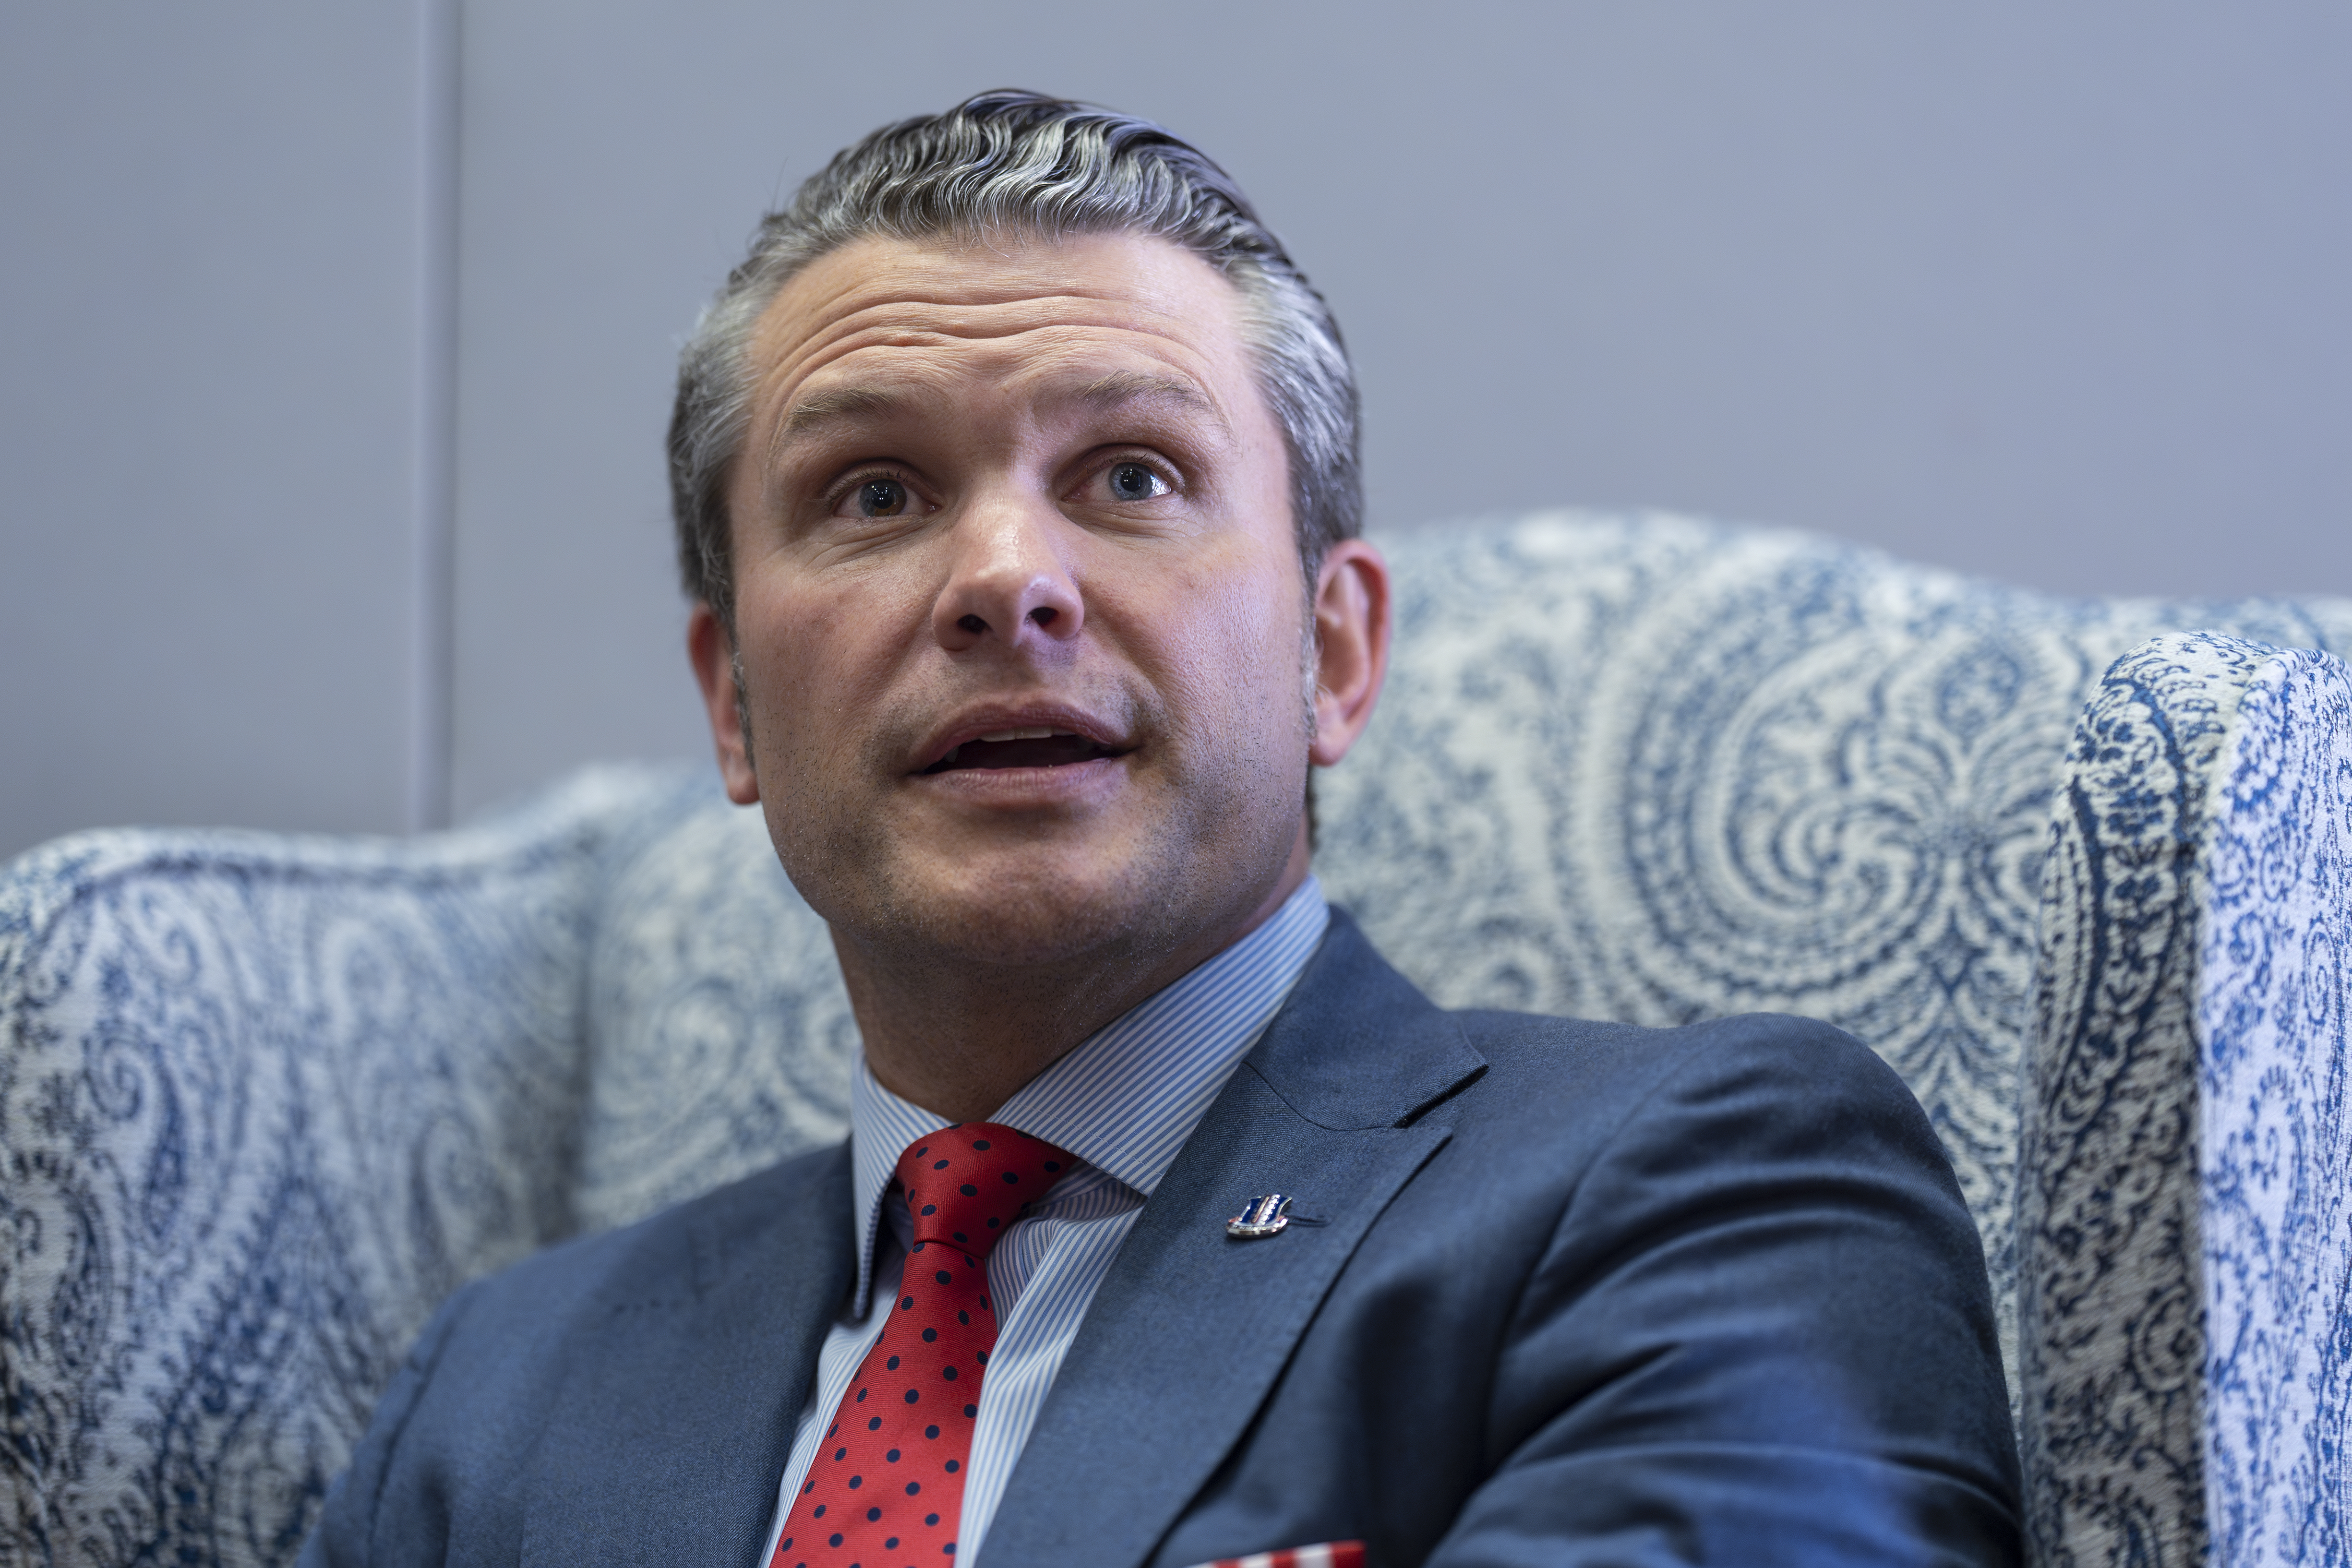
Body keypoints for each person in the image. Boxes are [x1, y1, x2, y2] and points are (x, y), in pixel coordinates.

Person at [300, 91, 2020, 1567]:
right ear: (736, 702)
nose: (1001, 583)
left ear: (1331, 651)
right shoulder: (501, 1387)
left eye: (1130, 474)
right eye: (874, 494)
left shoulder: (1701, 1187)